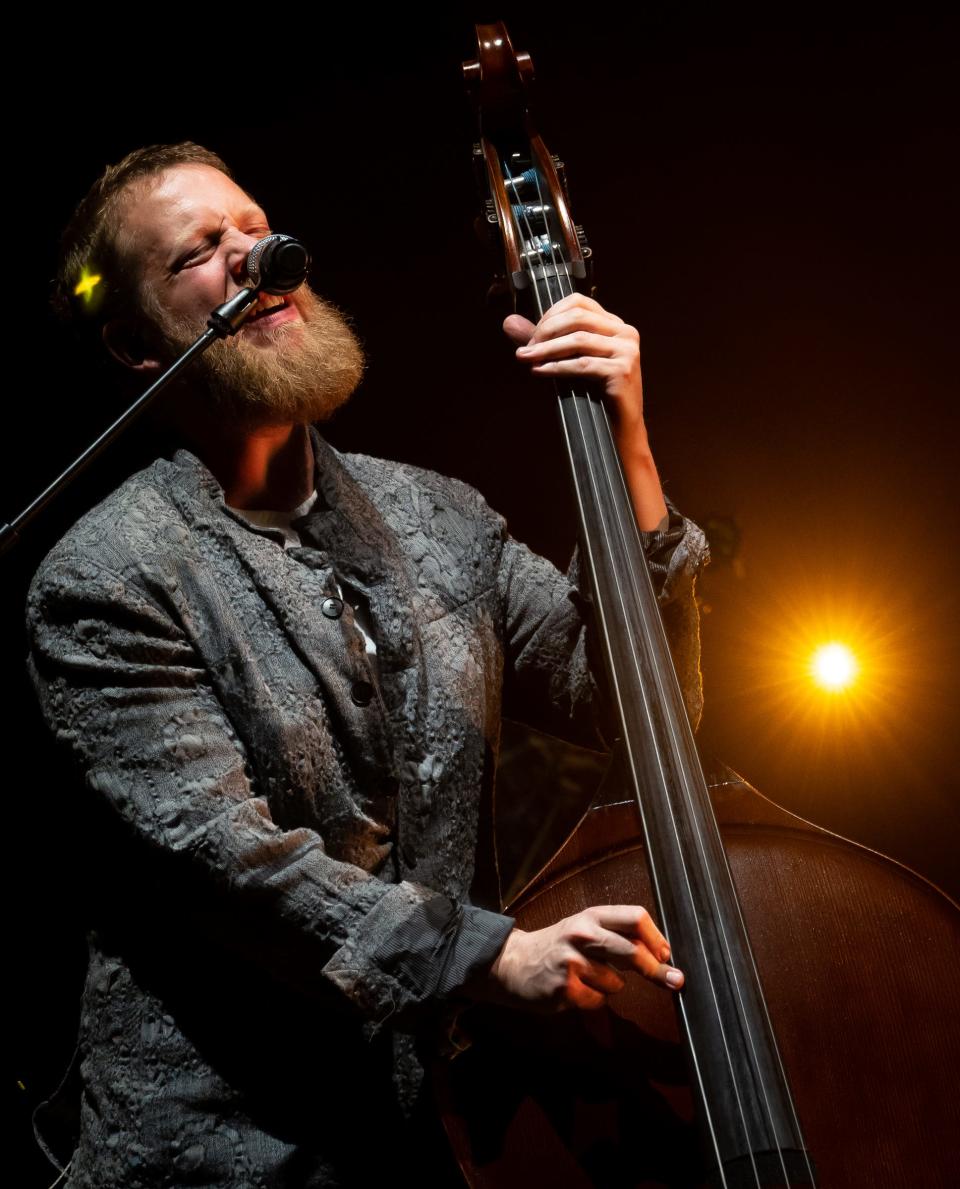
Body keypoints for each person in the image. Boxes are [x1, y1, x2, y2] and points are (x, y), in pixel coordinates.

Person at [26, 143, 709, 1187]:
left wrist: (631, 448)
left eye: (254, 225)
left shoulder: (437, 514)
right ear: (133, 342)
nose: (253, 256)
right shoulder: (105, 579)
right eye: (200, 253)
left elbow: (641, 711)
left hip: (423, 1144)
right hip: (216, 1158)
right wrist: (494, 955)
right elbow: (236, 868)